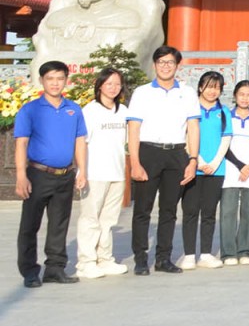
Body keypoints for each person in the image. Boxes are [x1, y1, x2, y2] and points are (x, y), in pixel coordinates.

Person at [126, 45, 200, 275]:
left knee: (169, 210)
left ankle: (163, 258)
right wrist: (135, 162)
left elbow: (193, 127)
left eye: (170, 62)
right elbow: (133, 128)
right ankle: (140, 259)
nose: (165, 66)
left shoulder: (187, 93)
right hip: (149, 152)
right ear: (154, 65)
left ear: (177, 65)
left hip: (176, 154)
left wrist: (193, 160)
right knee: (143, 209)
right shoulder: (142, 93)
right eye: (161, 62)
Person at [14, 60, 87, 287]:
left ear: (66, 80)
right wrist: (21, 176)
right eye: (50, 79)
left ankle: (55, 269)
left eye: (59, 78)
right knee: (30, 225)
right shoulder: (30, 110)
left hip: (65, 175)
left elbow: (80, 141)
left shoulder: (73, 110)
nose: (55, 83)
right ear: (41, 81)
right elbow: (21, 143)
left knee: (59, 224)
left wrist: (82, 170)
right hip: (38, 175)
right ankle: (29, 271)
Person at [75, 67, 129, 279]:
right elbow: (81, 142)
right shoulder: (90, 111)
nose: (113, 88)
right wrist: (82, 171)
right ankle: (86, 262)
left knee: (109, 220)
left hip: (117, 173)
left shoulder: (123, 111)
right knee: (90, 218)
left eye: (117, 84)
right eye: (109, 84)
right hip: (94, 173)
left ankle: (105, 259)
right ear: (99, 86)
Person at [179, 70, 230, 269]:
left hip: (216, 170)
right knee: (190, 211)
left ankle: (206, 254)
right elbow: (185, 136)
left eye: (216, 88)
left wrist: (215, 163)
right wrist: (198, 161)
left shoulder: (223, 112)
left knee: (209, 212)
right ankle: (189, 254)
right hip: (193, 167)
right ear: (200, 87)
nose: (212, 91)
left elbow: (226, 138)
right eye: (209, 87)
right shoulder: (191, 110)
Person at [219, 80, 249, 266]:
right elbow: (223, 144)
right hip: (230, 169)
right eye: (242, 94)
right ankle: (228, 252)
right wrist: (240, 166)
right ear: (235, 95)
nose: (245, 98)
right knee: (228, 212)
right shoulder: (226, 116)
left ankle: (246, 250)